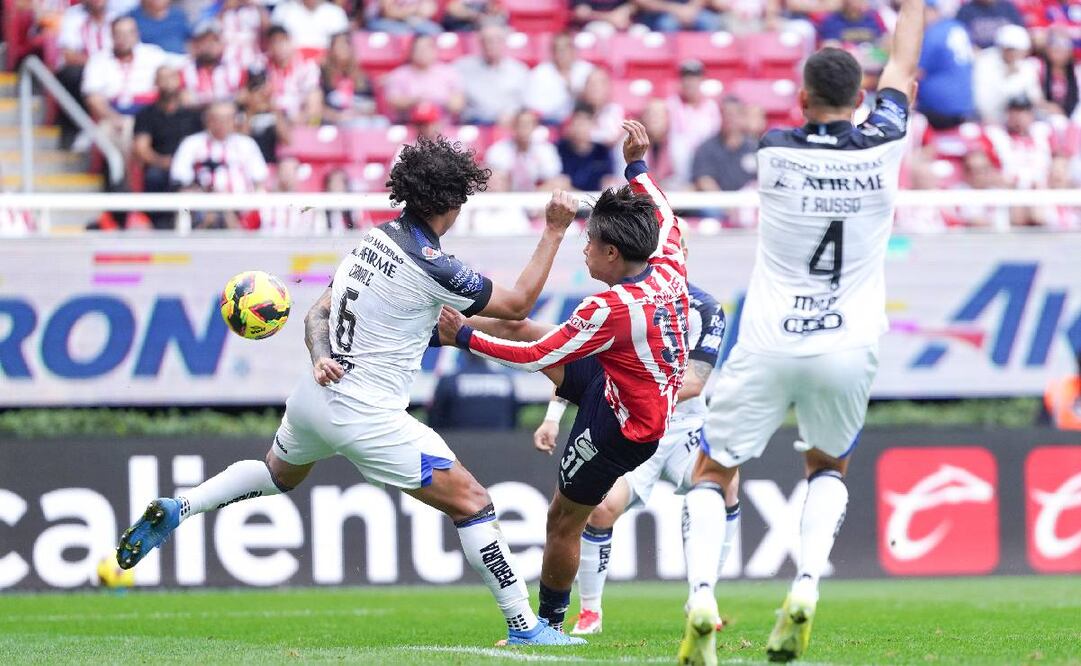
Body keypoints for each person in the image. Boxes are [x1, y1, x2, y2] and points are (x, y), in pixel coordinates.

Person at [116, 136, 586, 647]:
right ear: (449, 204)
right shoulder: (433, 266)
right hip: (368, 413)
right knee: (472, 502)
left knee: (276, 474)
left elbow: (317, 312)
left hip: (315, 395)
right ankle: (524, 627)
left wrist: (320, 357)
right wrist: (555, 229)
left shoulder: (372, 241)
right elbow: (515, 304)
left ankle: (182, 507)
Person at [676, 0, 924, 661]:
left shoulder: (773, 152)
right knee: (826, 464)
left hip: (768, 337)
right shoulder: (885, 141)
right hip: (847, 340)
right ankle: (806, 583)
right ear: (861, 97)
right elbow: (902, 63)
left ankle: (701, 596)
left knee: (711, 469)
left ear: (802, 95)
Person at [437, 120, 690, 637]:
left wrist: (465, 340)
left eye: (590, 243)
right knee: (516, 320)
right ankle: (429, 324)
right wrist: (637, 165)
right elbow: (661, 211)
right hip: (620, 379)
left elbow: (537, 354)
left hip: (623, 427)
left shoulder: (611, 307)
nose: (585, 250)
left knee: (562, 519)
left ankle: (549, 623)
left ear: (613, 254)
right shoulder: (668, 261)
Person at [537, 242, 727, 636]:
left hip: (682, 430)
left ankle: (703, 595)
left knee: (724, 481)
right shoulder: (620, 303)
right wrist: (552, 417)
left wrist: (645, 388)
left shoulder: (706, 308)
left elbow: (694, 383)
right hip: (629, 425)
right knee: (602, 509)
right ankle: (590, 612)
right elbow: (583, 365)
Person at [169, 100, 268, 228]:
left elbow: (259, 179)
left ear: (235, 120)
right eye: (216, 118)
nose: (222, 124)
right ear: (207, 120)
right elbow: (180, 178)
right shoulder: (191, 144)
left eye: (228, 118)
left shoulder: (246, 144)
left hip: (241, 207)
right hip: (203, 205)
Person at [81, 16, 167, 154]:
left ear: (137, 34)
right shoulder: (98, 60)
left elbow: (168, 83)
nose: (124, 38)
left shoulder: (154, 55)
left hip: (150, 115)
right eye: (119, 34)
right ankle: (121, 174)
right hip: (112, 117)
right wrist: (113, 118)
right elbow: (93, 98)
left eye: (128, 33)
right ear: (112, 36)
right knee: (115, 132)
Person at [132, 65, 202, 220]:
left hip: (190, 166)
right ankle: (158, 222)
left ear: (179, 81)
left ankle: (194, 223)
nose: (167, 82)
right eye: (162, 78)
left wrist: (183, 164)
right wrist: (163, 162)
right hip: (161, 165)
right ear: (155, 82)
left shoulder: (192, 114)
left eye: (171, 77)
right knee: (154, 177)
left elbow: (202, 143)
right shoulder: (146, 114)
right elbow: (141, 148)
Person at [54, 0, 113, 149]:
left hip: (112, 68)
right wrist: (96, 64)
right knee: (71, 74)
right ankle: (73, 127)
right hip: (85, 67)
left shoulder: (117, 15)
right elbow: (69, 55)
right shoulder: (73, 16)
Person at [456, 22, 529, 126]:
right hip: (475, 122)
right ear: (480, 43)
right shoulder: (463, 67)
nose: (491, 45)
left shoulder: (519, 70)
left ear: (504, 42)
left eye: (497, 40)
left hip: (510, 123)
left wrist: (512, 115)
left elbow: (524, 103)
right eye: (487, 41)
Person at [917, 0, 974, 130]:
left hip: (939, 107)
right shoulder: (958, 27)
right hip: (965, 104)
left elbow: (916, 72)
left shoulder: (934, 32)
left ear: (933, 11)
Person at [383, 34, 465, 123]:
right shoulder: (399, 74)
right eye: (419, 49)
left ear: (435, 51)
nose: (423, 52)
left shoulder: (448, 72)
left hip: (442, 124)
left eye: (427, 48)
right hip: (410, 123)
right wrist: (416, 101)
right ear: (411, 52)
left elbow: (458, 104)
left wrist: (437, 102)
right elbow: (393, 101)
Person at [972, 24, 1042, 124]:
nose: (1018, 55)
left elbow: (1035, 99)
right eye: (1012, 50)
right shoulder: (985, 63)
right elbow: (983, 105)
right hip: (989, 120)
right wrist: (1008, 78)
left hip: (1021, 120)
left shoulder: (1026, 65)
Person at [429, 353, 519, 430]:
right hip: (501, 445)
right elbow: (513, 418)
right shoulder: (505, 380)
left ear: (464, 352)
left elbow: (435, 419)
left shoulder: (449, 381)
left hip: (458, 445)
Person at [484, 110, 567, 192]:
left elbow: (552, 175)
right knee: (494, 182)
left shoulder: (546, 149)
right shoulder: (498, 149)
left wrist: (538, 163)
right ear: (513, 127)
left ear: (535, 127)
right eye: (520, 125)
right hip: (508, 193)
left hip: (537, 193)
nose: (524, 129)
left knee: (561, 182)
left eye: (528, 125)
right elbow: (495, 178)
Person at [525, 32, 595, 125]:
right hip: (549, 122)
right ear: (552, 52)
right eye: (558, 49)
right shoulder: (539, 73)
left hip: (583, 123)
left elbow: (596, 100)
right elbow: (533, 106)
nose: (562, 53)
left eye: (566, 48)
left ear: (574, 50)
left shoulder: (588, 71)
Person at [691, 96, 758, 193]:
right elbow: (704, 180)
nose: (730, 118)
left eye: (735, 114)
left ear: (743, 117)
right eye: (726, 114)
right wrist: (726, 206)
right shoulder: (706, 148)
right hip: (716, 204)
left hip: (749, 203)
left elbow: (763, 180)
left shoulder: (755, 148)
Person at [179, 20, 246, 108]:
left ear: (222, 44)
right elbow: (185, 99)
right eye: (204, 41)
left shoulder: (236, 68)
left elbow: (243, 96)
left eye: (214, 40)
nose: (209, 45)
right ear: (196, 45)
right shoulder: (186, 70)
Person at [557, 106, 615, 191]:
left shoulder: (603, 151)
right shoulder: (560, 148)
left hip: (596, 200)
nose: (579, 129)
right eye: (576, 124)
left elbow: (608, 182)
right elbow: (558, 181)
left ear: (592, 125)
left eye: (583, 124)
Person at [269, 0, 348, 58]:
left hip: (326, 65)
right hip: (290, 65)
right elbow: (275, 43)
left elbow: (341, 47)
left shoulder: (336, 13)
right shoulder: (283, 11)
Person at [955, 0, 1024, 49]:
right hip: (980, 54)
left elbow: (1021, 33)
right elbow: (959, 36)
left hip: (1006, 54)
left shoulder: (1007, 8)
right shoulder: (966, 10)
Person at [817, 0, 887, 46]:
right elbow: (827, 45)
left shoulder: (873, 17)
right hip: (844, 63)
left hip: (873, 62)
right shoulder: (831, 21)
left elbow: (885, 38)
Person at [633, 0, 723, 32]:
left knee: (712, 22)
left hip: (693, 10)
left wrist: (692, 8)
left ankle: (709, 62)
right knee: (667, 25)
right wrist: (675, 9)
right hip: (663, 13)